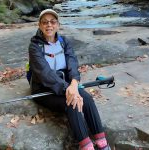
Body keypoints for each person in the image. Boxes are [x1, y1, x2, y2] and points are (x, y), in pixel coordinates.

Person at [28, 9, 111, 150]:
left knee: (88, 99)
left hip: (66, 85)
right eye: (45, 22)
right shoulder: (35, 46)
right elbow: (45, 74)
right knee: (71, 103)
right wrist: (69, 90)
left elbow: (72, 63)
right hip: (44, 89)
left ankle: (102, 142)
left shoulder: (64, 42)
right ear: (40, 25)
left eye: (53, 21)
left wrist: (74, 83)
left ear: (58, 25)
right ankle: (87, 146)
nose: (49, 25)